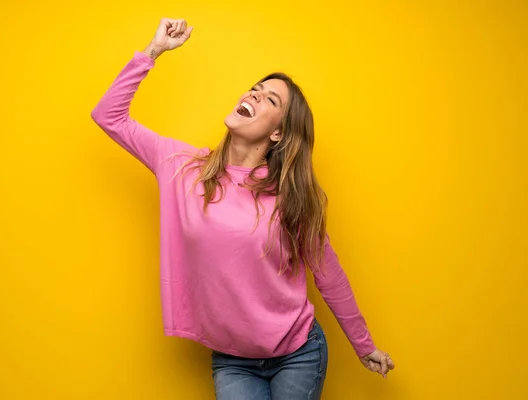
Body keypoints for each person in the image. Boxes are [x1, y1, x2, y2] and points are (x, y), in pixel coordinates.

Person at [91, 17, 395, 400]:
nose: (253, 95)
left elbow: (329, 275)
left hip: (297, 353)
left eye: (270, 99)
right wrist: (154, 51)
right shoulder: (181, 166)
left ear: (278, 133)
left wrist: (364, 345)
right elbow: (108, 116)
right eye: (254, 89)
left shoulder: (291, 196)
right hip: (233, 358)